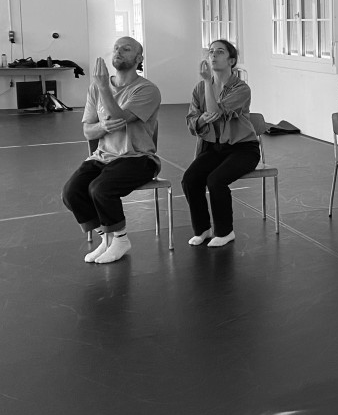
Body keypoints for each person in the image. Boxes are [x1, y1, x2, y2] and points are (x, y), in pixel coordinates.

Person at [62, 37, 161, 264]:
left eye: (126, 49)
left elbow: (119, 118)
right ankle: (107, 238)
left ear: (139, 58)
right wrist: (102, 127)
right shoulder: (95, 88)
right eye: (116, 48)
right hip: (104, 157)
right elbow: (88, 131)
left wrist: (104, 87)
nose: (118, 52)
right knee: (71, 192)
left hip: (138, 158)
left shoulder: (147, 89)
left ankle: (121, 239)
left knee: (100, 188)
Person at [181, 40, 260, 247]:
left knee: (216, 180)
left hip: (243, 149)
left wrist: (208, 82)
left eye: (220, 52)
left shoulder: (241, 88)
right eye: (211, 52)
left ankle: (225, 232)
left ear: (231, 61)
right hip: (215, 148)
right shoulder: (199, 88)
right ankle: (203, 229)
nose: (213, 55)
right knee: (190, 179)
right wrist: (200, 119)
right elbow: (191, 121)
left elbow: (215, 113)